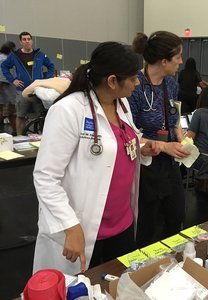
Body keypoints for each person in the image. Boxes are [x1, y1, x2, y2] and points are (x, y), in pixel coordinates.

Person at [32, 42, 159, 275]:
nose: (138, 82)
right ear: (112, 81)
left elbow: (119, 140)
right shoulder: (68, 110)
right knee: (79, 288)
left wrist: (141, 148)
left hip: (122, 222)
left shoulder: (122, 105)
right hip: (84, 226)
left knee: (116, 285)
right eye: (132, 78)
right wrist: (70, 226)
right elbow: (45, 177)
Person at [128, 31, 190, 248]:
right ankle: (143, 268)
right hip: (147, 163)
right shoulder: (134, 85)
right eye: (178, 57)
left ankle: (170, 260)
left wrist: (182, 137)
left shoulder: (171, 84)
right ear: (164, 61)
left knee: (176, 215)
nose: (181, 61)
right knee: (147, 223)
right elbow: (129, 134)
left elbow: (174, 116)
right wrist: (164, 146)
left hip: (170, 162)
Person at [1, 32, 55, 135]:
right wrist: (13, 80)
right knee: (20, 115)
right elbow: (4, 66)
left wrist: (46, 80)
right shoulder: (14, 56)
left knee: (40, 116)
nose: (27, 41)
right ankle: (20, 137)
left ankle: (42, 138)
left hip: (38, 91)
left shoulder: (40, 55)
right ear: (21, 42)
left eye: (29, 39)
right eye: (24, 39)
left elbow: (51, 66)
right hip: (22, 91)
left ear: (32, 41)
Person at [0, 41, 16, 134]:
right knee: (11, 113)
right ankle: (16, 132)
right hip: (6, 92)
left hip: (6, 91)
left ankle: (15, 132)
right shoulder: (5, 59)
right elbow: (3, 79)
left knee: (10, 113)